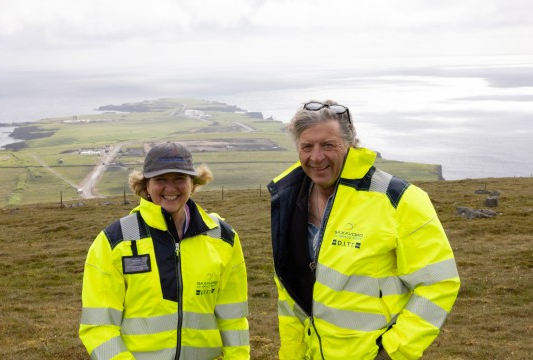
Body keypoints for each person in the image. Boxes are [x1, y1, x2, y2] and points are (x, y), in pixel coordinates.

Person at [267, 100, 460, 360]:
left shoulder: (399, 199)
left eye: (328, 145)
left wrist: (392, 352)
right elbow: (290, 299)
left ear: (349, 144)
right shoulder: (288, 199)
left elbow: (439, 283)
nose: (316, 157)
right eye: (307, 147)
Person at [79, 142, 250, 359]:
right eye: (160, 180)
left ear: (193, 183)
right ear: (146, 185)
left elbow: (233, 320)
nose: (170, 189)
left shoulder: (223, 237)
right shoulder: (115, 241)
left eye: (179, 178)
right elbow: (98, 326)